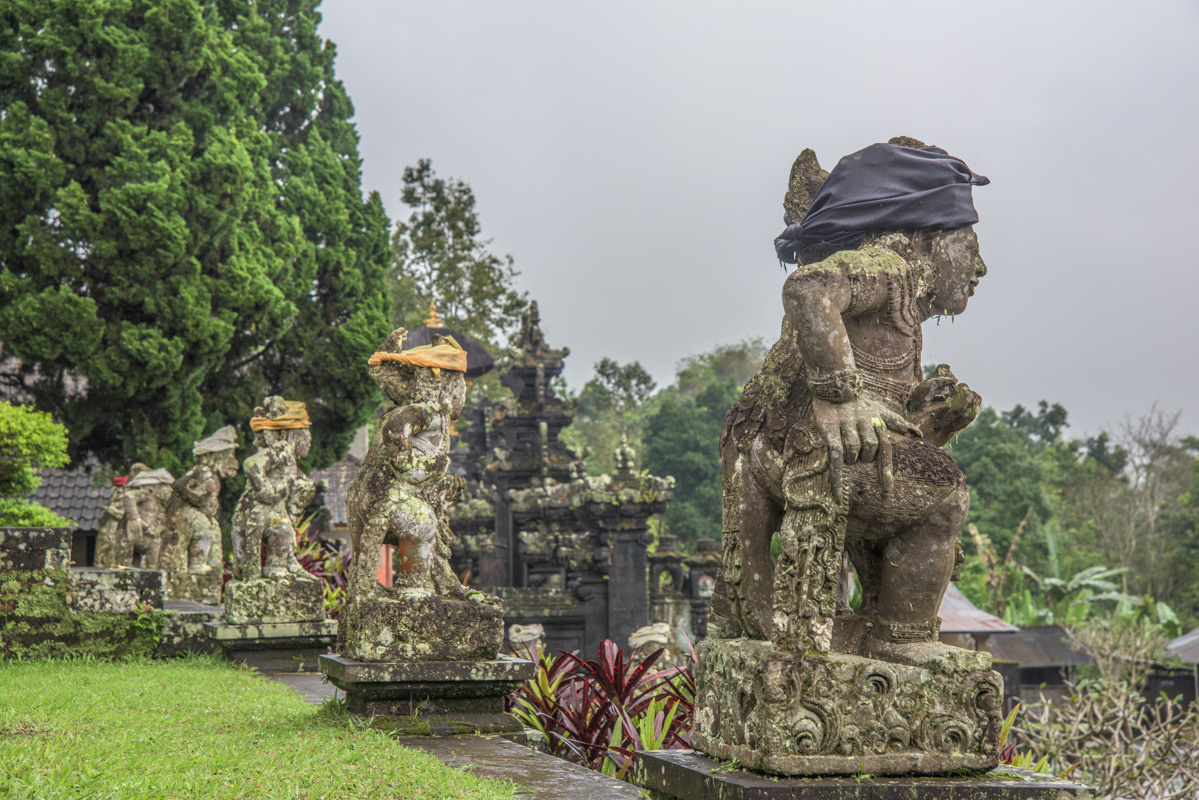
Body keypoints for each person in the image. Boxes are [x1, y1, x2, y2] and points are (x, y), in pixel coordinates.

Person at [712, 139, 990, 672]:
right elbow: (807, 289)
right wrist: (839, 394)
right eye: (968, 244)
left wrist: (931, 420)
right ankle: (902, 635)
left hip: (772, 442)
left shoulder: (897, 304)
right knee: (945, 497)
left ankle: (843, 626)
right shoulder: (890, 267)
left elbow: (888, 413)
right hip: (810, 446)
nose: (979, 268)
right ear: (929, 239)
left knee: (920, 465)